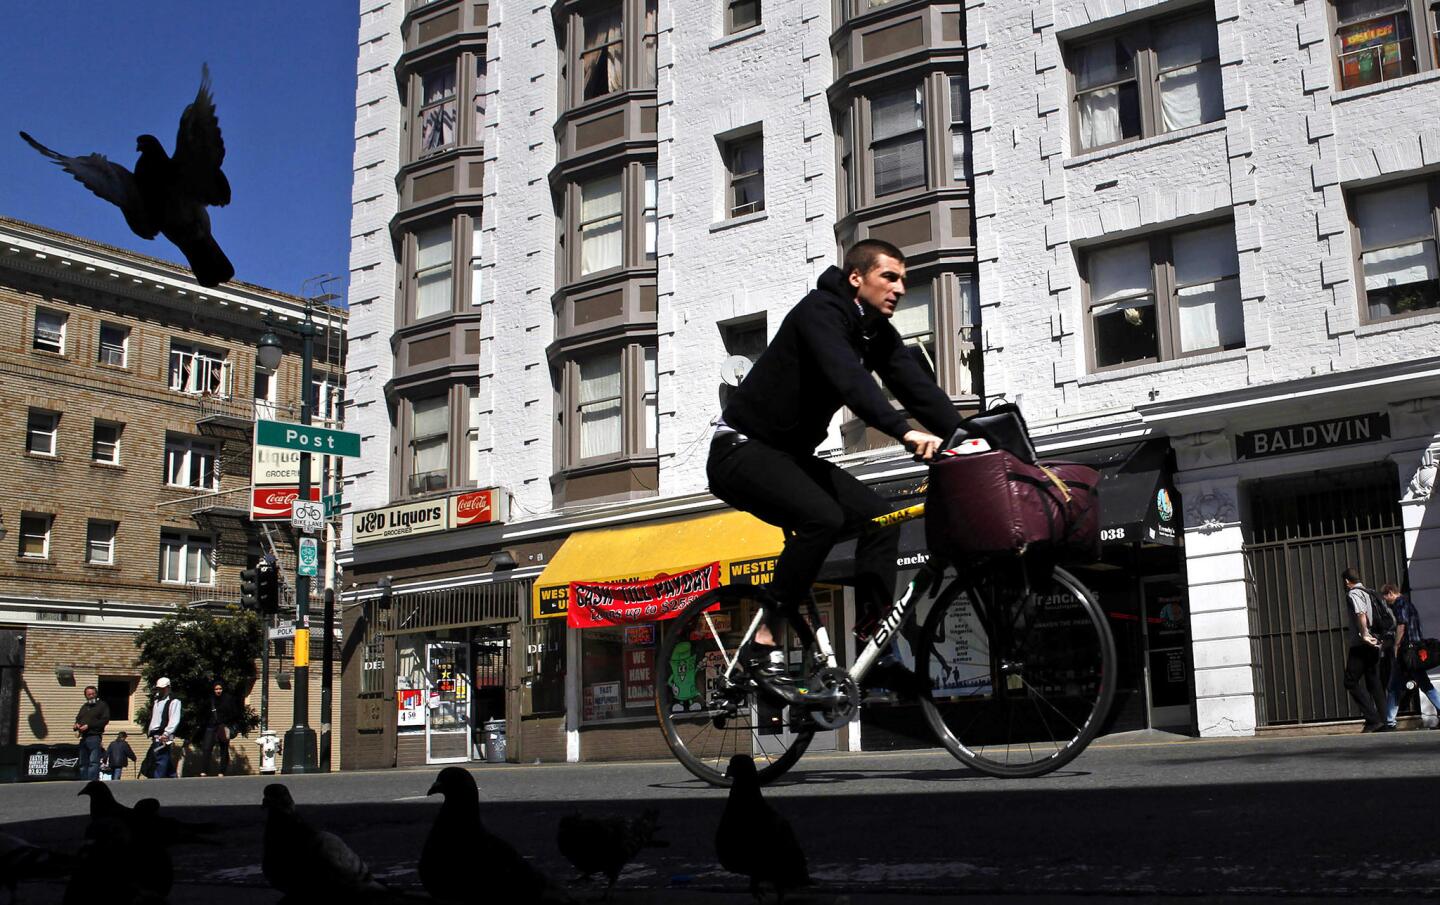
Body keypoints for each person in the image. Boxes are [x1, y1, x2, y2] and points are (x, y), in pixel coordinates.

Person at [707, 240, 961, 699]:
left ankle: (875, 643)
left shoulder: (875, 332)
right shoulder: (819, 313)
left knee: (879, 520)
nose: (900, 288)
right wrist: (903, 432)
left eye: (904, 279)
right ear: (856, 278)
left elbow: (919, 389)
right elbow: (850, 379)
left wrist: (974, 439)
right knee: (821, 518)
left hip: (788, 456)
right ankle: (763, 643)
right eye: (890, 276)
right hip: (740, 450)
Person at [1382, 583, 1440, 730]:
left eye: (1385, 596)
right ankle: (1389, 721)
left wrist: (1396, 645)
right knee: (1421, 684)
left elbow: (1401, 625)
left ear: (1390, 593)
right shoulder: (1408, 603)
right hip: (1413, 651)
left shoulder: (1400, 603)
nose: (1385, 600)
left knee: (1396, 687)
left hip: (1406, 652)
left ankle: (1389, 723)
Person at [1341, 567, 1388, 732]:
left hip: (1362, 644)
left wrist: (1364, 634)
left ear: (1347, 581)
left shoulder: (1354, 593)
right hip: (1375, 643)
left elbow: (1361, 614)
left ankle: (1373, 719)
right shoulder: (1369, 592)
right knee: (1374, 682)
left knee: (1350, 681)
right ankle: (1385, 721)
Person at [199, 680, 240, 776]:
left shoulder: (228, 699)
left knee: (224, 748)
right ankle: (204, 770)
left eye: (220, 689)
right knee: (207, 748)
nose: (218, 691)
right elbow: (203, 713)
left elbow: (234, 713)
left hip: (224, 725)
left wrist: (226, 722)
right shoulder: (210, 700)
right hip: (211, 726)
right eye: (216, 689)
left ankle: (222, 770)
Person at [147, 677, 183, 778]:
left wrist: (166, 733)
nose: (160, 690)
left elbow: (174, 719)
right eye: (159, 688)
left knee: (160, 761)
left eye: (162, 688)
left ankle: (157, 784)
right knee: (165, 761)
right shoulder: (156, 700)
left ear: (168, 687)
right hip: (156, 735)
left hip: (163, 736)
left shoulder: (173, 701)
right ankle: (173, 779)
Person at [73, 685, 111, 781]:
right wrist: (76, 725)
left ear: (96, 694)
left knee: (93, 762)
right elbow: (78, 718)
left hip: (94, 736)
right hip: (84, 737)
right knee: (83, 762)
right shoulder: (85, 707)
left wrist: (89, 725)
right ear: (85, 695)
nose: (91, 696)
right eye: (89, 694)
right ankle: (84, 781)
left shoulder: (102, 705)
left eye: (93, 694)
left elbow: (105, 720)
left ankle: (92, 781)